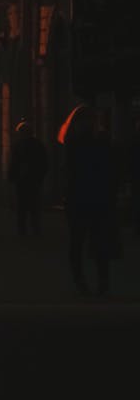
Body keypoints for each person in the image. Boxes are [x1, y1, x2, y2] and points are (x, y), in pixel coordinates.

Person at [58, 105, 119, 295]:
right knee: (86, 241)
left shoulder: (74, 142)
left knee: (85, 241)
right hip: (90, 197)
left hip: (85, 197)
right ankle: (93, 281)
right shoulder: (89, 142)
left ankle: (91, 281)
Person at [7, 120, 49, 236]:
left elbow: (14, 163)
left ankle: (23, 231)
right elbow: (44, 163)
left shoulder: (18, 145)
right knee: (33, 207)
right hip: (33, 180)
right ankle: (35, 230)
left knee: (22, 208)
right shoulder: (38, 144)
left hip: (23, 180)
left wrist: (11, 177)